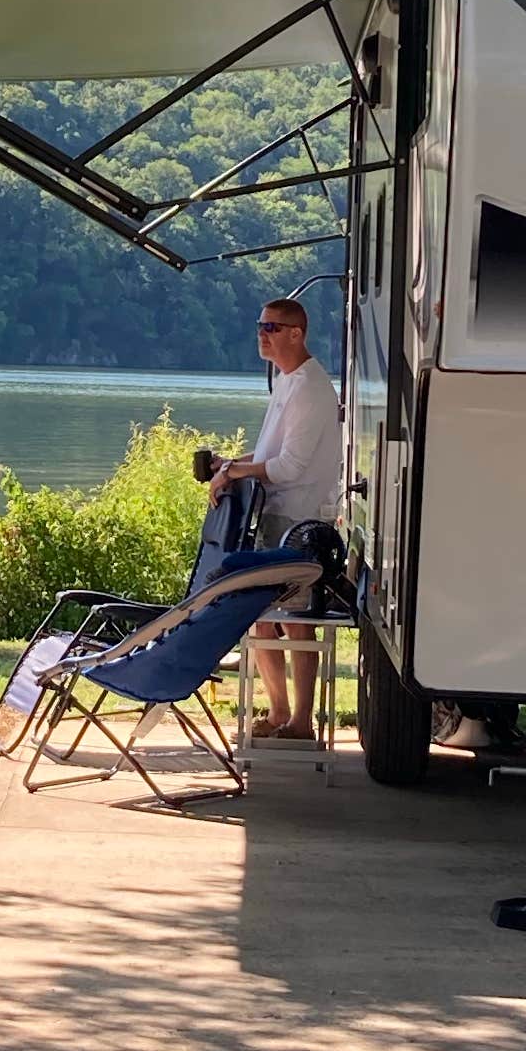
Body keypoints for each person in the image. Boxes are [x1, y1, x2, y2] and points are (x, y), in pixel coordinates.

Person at [209, 292, 342, 742]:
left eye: (270, 328)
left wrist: (235, 472)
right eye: (259, 326)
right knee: (262, 617)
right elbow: (269, 454)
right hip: (272, 516)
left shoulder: (309, 387)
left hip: (299, 524)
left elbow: (290, 467)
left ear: (295, 333)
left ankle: (302, 721)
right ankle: (278, 712)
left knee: (298, 621)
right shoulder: (287, 380)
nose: (261, 336)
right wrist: (231, 464)